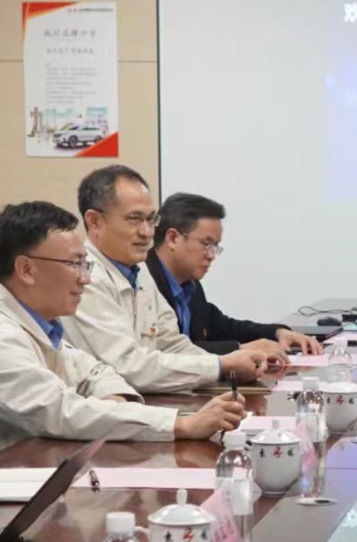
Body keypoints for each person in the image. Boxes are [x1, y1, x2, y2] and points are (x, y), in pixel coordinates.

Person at [0, 200, 247, 480]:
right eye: (74, 264)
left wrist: (115, 400)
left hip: (25, 485)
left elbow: (94, 371)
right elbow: (63, 412)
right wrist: (183, 425)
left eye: (85, 264)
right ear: (26, 269)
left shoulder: (36, 322)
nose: (85, 279)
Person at [61, 165, 273, 394]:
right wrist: (219, 365)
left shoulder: (140, 271)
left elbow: (172, 344)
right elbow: (127, 367)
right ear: (94, 221)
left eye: (150, 219)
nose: (147, 232)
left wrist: (229, 365)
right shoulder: (85, 278)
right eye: (134, 219)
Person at [148, 193, 321, 358]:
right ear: (173, 238)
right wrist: (239, 349)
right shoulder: (143, 283)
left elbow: (224, 327)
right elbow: (165, 352)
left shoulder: (189, 284)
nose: (211, 255)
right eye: (206, 244)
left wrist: (277, 333)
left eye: (215, 247)